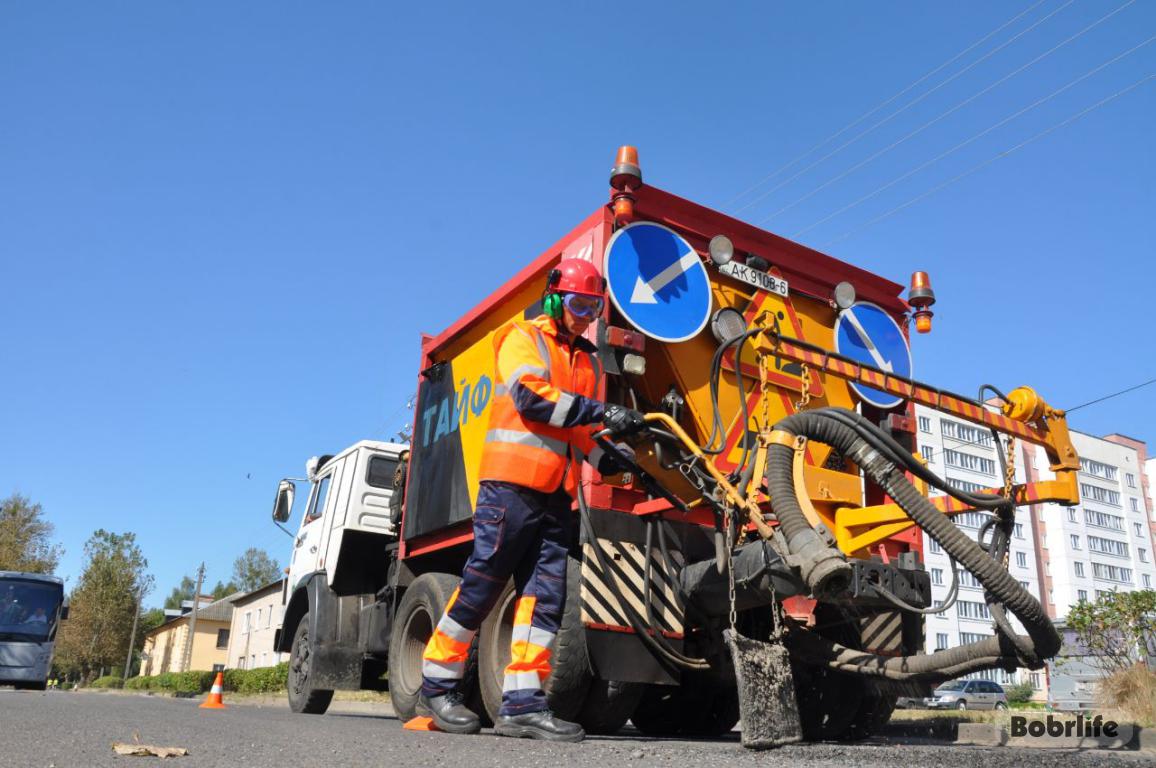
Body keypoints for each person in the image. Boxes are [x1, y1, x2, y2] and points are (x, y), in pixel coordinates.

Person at [416, 258, 645, 742]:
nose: (586, 315)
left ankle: (522, 703)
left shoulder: (586, 360)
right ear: (556, 298)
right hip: (510, 488)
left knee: (545, 600)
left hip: (555, 497)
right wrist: (602, 410)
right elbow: (532, 399)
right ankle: (437, 687)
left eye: (594, 306)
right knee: (482, 584)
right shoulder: (523, 338)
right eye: (579, 304)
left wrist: (614, 456)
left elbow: (580, 430)